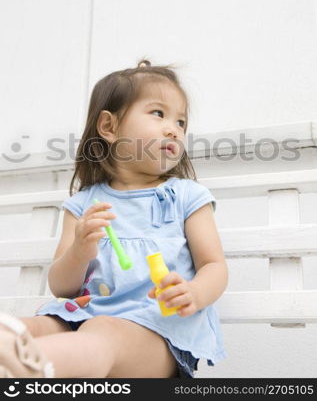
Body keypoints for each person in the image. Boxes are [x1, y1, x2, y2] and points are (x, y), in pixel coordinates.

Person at [0, 59, 228, 378]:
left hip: (158, 336)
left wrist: (195, 292)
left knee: (103, 332)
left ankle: (27, 367)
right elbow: (62, 288)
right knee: (42, 324)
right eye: (158, 113)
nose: (172, 129)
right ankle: (12, 349)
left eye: (181, 122)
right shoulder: (83, 205)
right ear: (109, 127)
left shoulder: (187, 197)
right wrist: (80, 250)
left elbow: (214, 266)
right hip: (82, 317)